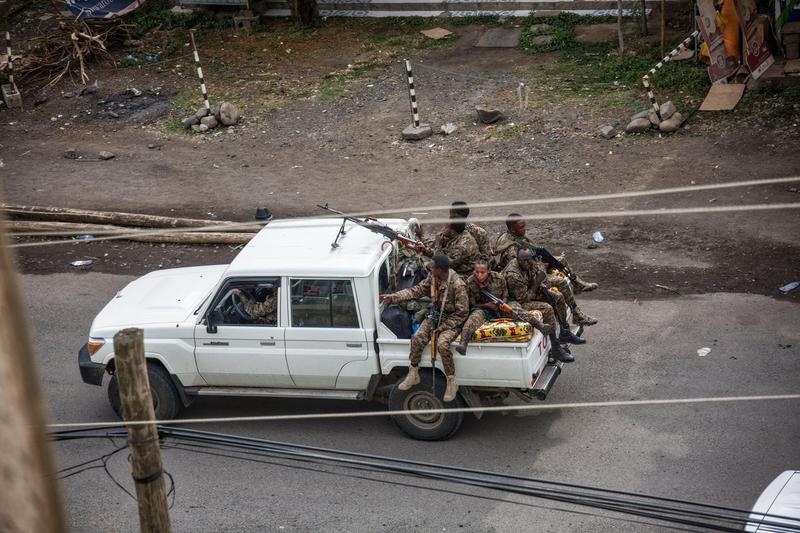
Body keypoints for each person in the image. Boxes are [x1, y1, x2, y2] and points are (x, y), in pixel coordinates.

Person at [380, 255, 468, 402]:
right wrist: (394, 297)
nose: (429, 268)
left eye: (432, 267)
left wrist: (442, 327)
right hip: (436, 315)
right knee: (418, 337)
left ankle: (451, 381)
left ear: (439, 270)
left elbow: (463, 313)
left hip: (452, 320)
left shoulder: (458, 285)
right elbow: (417, 290)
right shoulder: (433, 278)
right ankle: (413, 372)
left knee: (442, 344)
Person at [455, 257, 572, 362]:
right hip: (484, 308)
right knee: (473, 318)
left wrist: (503, 303)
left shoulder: (499, 278)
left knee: (516, 310)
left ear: (489, 271)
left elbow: (505, 294)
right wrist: (487, 306)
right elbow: (470, 304)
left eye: (482, 272)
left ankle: (540, 326)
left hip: (501, 304)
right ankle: (463, 344)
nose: (479, 275)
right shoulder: (470, 282)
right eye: (477, 272)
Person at [496, 213, 597, 327]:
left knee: (560, 260)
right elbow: (523, 268)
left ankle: (577, 282)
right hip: (524, 281)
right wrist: (541, 266)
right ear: (512, 229)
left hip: (531, 268)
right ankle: (576, 314)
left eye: (524, 226)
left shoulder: (516, 236)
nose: (524, 229)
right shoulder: (511, 249)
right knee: (561, 282)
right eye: (521, 227)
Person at [503, 249, 586, 350]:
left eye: (528, 260)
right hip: (517, 300)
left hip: (529, 291)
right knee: (547, 308)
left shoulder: (530, 262)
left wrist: (543, 287)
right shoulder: (513, 274)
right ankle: (555, 347)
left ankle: (565, 331)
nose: (526, 263)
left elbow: (543, 277)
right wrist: (537, 283)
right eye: (523, 260)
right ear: (517, 259)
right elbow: (523, 298)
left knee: (557, 296)